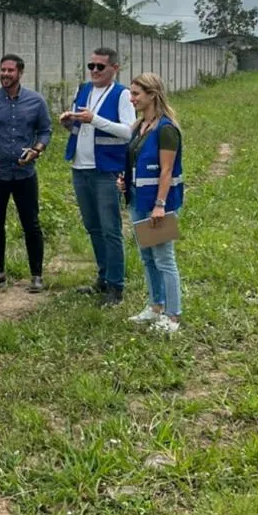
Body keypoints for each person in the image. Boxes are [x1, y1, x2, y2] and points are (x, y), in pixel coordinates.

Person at [59, 46, 136, 306]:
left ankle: (116, 285)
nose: (94, 71)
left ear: (114, 68)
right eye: (91, 66)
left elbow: (128, 132)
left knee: (110, 229)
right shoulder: (83, 90)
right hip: (80, 167)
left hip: (106, 169)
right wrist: (70, 121)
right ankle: (103, 278)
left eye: (99, 67)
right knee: (93, 226)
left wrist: (95, 119)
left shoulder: (122, 94)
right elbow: (81, 124)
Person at [0, 53, 52, 293]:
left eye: (10, 71)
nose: (5, 74)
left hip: (24, 174)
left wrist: (36, 150)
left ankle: (36, 275)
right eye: (2, 70)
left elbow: (45, 130)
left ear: (20, 73)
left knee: (31, 223)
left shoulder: (36, 101)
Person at [117, 72, 185, 334]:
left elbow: (166, 171)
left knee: (164, 258)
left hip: (157, 203)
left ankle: (173, 315)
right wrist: (126, 181)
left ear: (152, 95)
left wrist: (160, 204)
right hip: (137, 199)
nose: (131, 98)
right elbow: (135, 162)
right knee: (147, 257)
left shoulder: (166, 129)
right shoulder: (139, 127)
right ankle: (155, 306)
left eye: (136, 94)